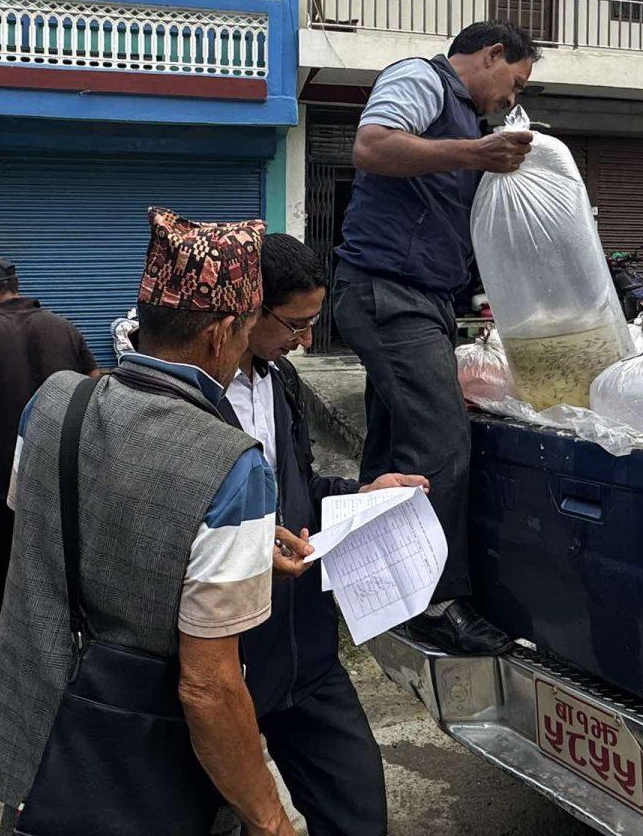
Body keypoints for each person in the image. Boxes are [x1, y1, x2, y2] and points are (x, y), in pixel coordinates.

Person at [0, 210, 296, 836]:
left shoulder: (52, 402)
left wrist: (239, 550)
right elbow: (209, 690)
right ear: (222, 333)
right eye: (247, 329)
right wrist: (270, 821)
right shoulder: (234, 465)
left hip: (31, 741)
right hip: (137, 772)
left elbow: (42, 523)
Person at [332, 20, 539, 655]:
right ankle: (437, 602)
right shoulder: (422, 79)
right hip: (388, 293)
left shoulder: (469, 122)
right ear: (492, 55)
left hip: (422, 299)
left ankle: (371, 585)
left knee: (394, 449)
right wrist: (475, 154)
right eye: (514, 82)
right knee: (441, 440)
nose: (510, 98)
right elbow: (371, 146)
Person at [227, 234, 424, 836]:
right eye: (296, 324)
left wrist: (358, 493)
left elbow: (298, 488)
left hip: (303, 650)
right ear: (248, 309)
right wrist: (248, 548)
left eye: (314, 324)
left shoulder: (281, 381)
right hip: (226, 655)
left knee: (358, 809)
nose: (306, 341)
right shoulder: (189, 399)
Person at [0, 257, 97, 646]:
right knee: (64, 556)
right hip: (64, 466)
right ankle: (69, 633)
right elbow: (94, 383)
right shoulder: (63, 327)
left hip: (6, 471)